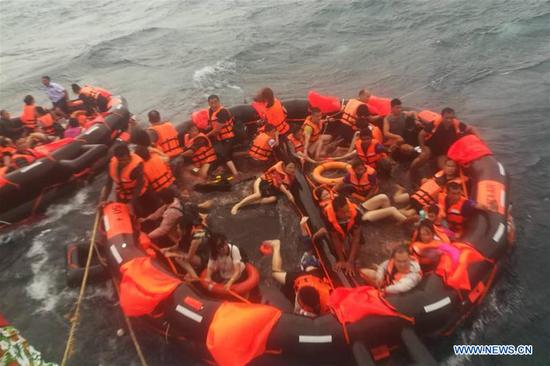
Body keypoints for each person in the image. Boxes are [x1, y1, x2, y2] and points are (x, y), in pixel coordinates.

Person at [267, 217, 332, 317]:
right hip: (304, 275)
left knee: (309, 257)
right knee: (275, 272)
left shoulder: (328, 300)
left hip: (314, 274)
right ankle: (276, 245)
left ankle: (308, 233)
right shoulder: (298, 285)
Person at [394, 158, 468, 215]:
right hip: (417, 195)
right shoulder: (439, 174)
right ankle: (401, 190)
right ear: (444, 167)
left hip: (425, 203)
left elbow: (446, 197)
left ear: (456, 168)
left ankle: (394, 211)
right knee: (397, 199)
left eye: (453, 166)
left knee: (409, 213)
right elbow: (429, 183)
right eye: (448, 166)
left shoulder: (455, 183)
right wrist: (425, 181)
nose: (450, 168)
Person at [231, 161, 296, 215]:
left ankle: (249, 203)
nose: (292, 170)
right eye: (290, 167)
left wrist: (289, 193)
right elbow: (280, 184)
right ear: (284, 166)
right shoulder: (277, 170)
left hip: (269, 187)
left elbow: (286, 186)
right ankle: (237, 205)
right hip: (262, 181)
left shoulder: (291, 175)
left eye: (293, 168)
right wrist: (289, 194)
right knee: (258, 195)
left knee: (273, 199)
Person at [322, 194, 363, 275]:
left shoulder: (356, 213)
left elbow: (356, 238)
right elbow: (335, 238)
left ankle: (355, 260)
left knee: (360, 240)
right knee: (334, 241)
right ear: (336, 212)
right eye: (344, 212)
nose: (348, 214)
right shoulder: (328, 217)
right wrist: (342, 260)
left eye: (347, 210)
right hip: (337, 225)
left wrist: (350, 261)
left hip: (351, 224)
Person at [102, 144, 147, 212]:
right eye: (120, 161)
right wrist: (103, 199)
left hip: (139, 195)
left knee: (140, 211)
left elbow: (139, 186)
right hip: (122, 195)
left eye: (125, 160)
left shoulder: (137, 167)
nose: (123, 162)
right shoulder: (112, 164)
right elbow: (108, 184)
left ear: (129, 156)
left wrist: (131, 203)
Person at [204, 95, 239, 177]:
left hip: (229, 137)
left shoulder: (222, 112)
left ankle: (236, 174)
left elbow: (217, 130)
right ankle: (222, 169)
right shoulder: (210, 111)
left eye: (215, 102)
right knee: (218, 153)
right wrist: (208, 127)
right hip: (219, 138)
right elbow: (212, 123)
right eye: (211, 103)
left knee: (224, 154)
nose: (213, 105)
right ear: (208, 104)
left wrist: (205, 136)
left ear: (219, 102)